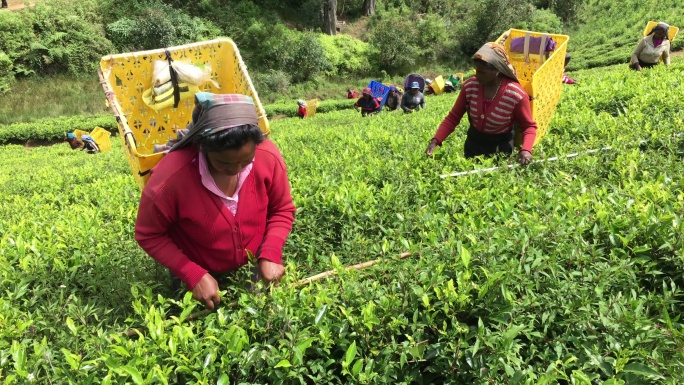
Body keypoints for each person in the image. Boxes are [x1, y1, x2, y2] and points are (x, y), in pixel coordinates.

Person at [135, 92, 296, 310]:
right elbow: (149, 234)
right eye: (224, 163)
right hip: (195, 266)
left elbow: (282, 209)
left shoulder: (268, 157)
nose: (236, 170)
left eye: (246, 160)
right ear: (202, 146)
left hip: (253, 260)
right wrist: (192, 273)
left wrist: (271, 252)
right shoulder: (170, 178)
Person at [426, 42, 537, 165]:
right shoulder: (470, 86)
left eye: (482, 72)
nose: (476, 75)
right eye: (476, 70)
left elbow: (529, 126)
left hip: (500, 147)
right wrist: (436, 140)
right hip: (474, 143)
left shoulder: (516, 95)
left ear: (497, 71)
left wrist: (526, 150)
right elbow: (453, 117)